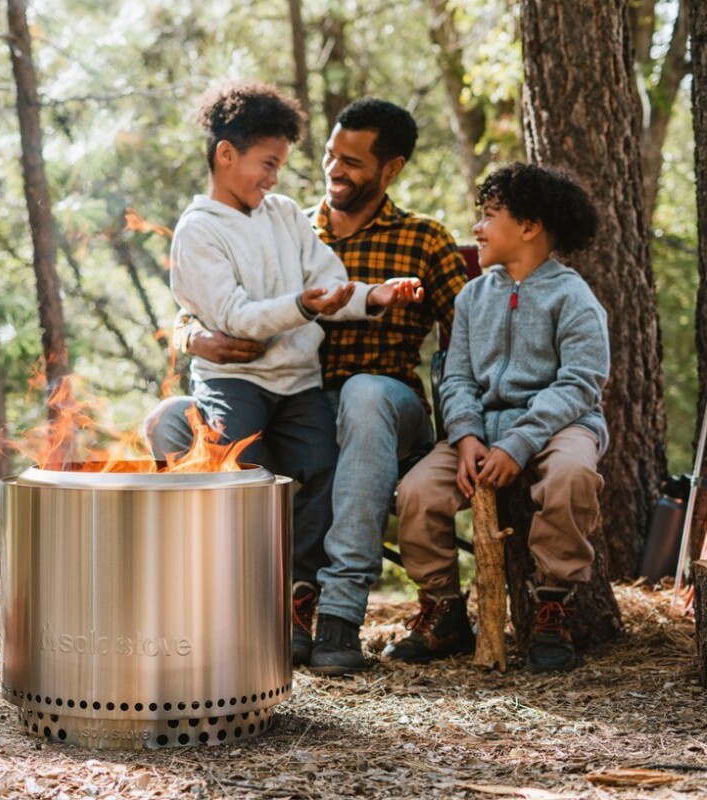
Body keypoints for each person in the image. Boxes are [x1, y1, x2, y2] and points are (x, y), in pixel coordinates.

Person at [145, 98, 467, 675]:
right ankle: (239, 606)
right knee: (175, 423)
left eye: (352, 161)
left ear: (389, 169)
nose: (332, 170)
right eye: (327, 156)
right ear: (227, 156)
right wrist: (191, 335)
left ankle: (330, 612)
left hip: (368, 409)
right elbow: (217, 303)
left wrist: (376, 297)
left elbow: (461, 336)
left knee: (350, 416)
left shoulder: (419, 238)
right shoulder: (283, 218)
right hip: (264, 388)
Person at [383, 162, 608, 673]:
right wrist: (465, 438)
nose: (477, 227)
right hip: (481, 431)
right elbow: (456, 379)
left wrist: (519, 444)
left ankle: (553, 604)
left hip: (558, 426)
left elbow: (580, 383)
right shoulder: (472, 296)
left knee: (573, 474)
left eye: (488, 215)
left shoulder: (573, 297)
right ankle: (443, 609)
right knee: (417, 492)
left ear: (528, 227)